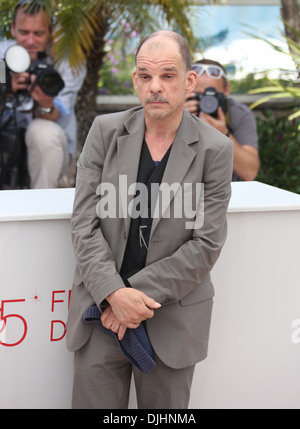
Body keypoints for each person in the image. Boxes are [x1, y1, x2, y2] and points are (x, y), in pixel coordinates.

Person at [66, 30, 233, 409]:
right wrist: (113, 294)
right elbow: (84, 224)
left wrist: (131, 299)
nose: (155, 87)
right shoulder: (104, 133)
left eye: (168, 75)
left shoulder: (215, 149)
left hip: (170, 321)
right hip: (101, 315)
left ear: (189, 80)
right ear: (136, 79)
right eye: (145, 75)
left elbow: (206, 245)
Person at [0, 0, 86, 188]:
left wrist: (45, 101)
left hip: (52, 152)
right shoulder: (2, 55)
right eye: (24, 32)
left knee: (42, 132)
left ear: (51, 31)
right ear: (13, 29)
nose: (30, 41)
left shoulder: (68, 61)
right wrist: (6, 88)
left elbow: (56, 114)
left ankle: (42, 209)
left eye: (38, 33)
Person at [185, 59, 260, 181]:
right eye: (198, 95)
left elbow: (250, 172)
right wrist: (177, 122)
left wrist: (223, 134)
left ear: (226, 91)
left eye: (212, 95)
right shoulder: (174, 111)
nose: (206, 103)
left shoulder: (238, 113)